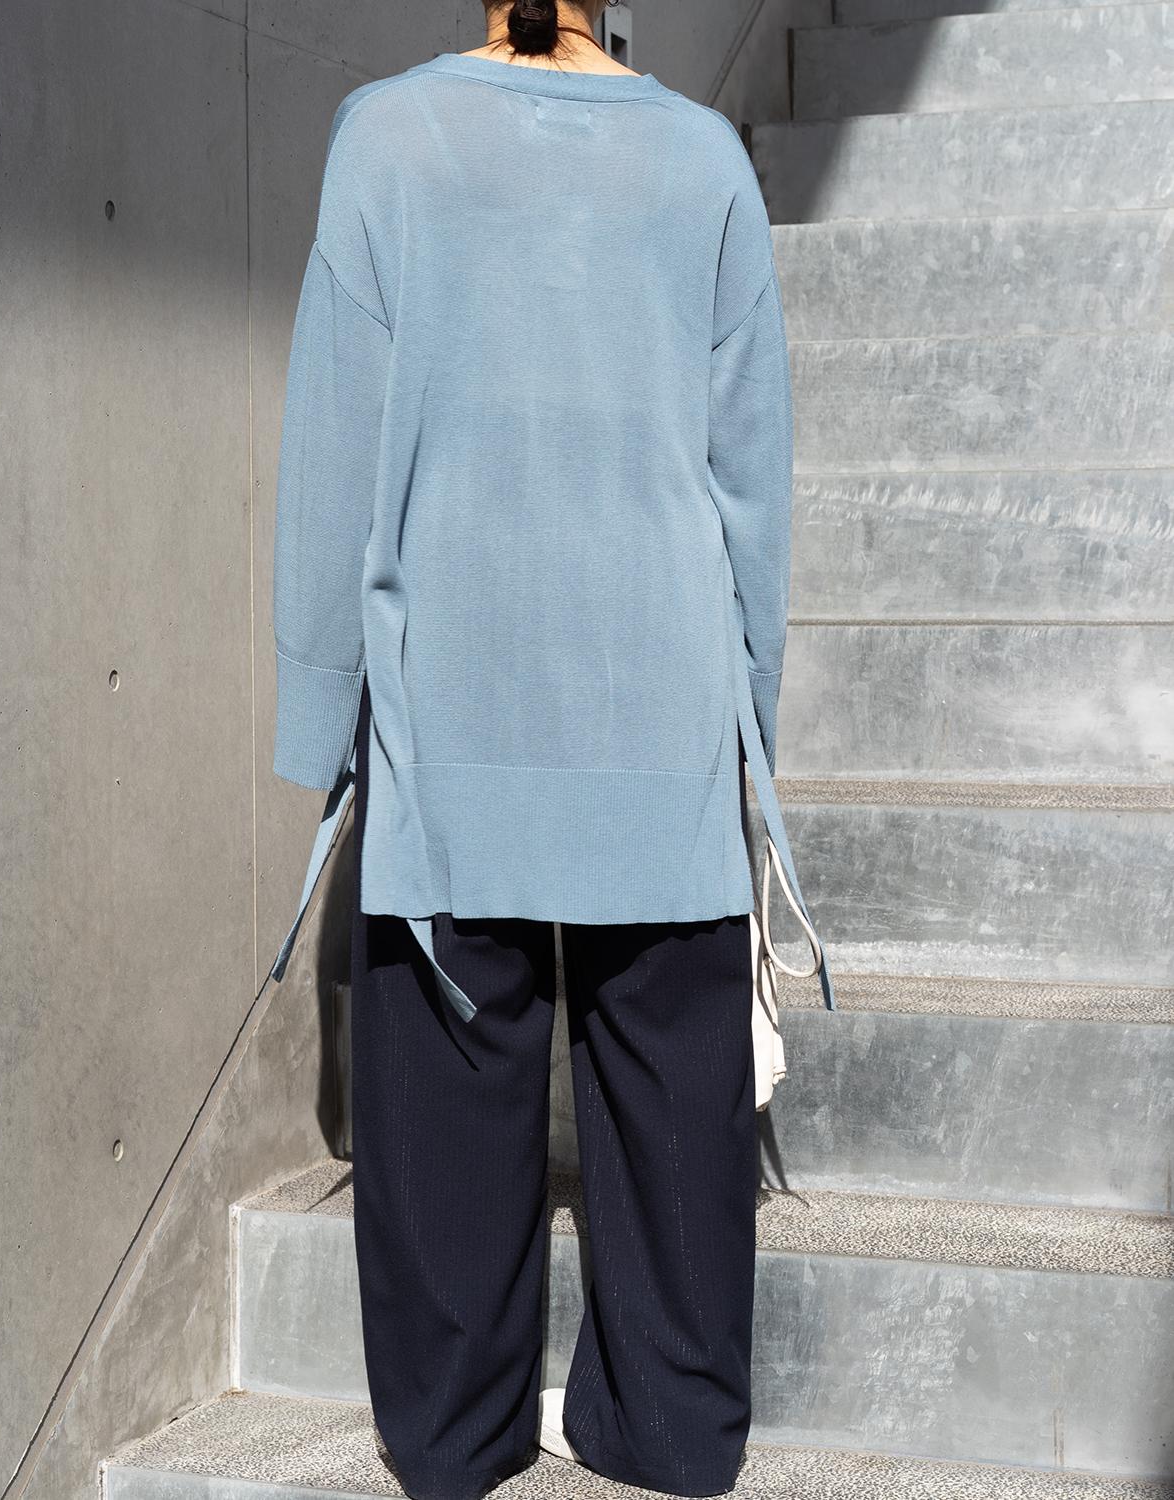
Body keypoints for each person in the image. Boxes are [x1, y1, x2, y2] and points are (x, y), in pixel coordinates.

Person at [269, 2, 836, 1497]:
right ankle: (670, 1426)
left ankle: (459, 1437)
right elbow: (752, 485)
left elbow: (332, 455)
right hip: (660, 709)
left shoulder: (388, 140)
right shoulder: (703, 161)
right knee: (674, 1112)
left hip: (452, 714)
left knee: (447, 1100)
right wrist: (753, 724)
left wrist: (321, 713)